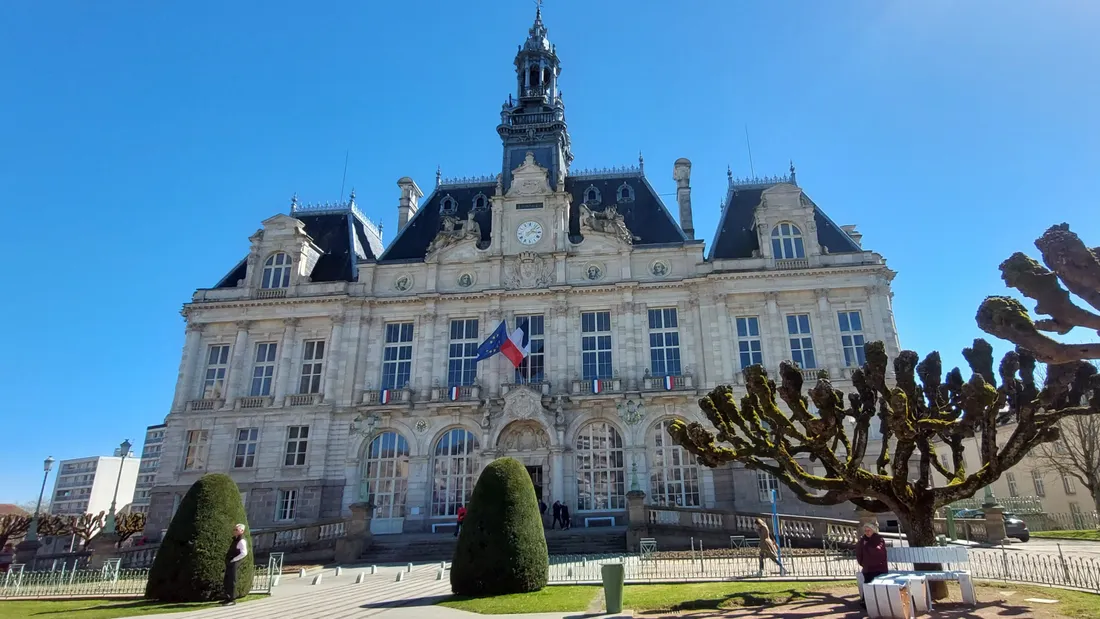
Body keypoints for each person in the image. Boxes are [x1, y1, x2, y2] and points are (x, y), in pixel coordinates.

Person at [855, 521, 889, 607]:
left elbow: (879, 551)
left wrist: (867, 546)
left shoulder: (878, 539)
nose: (867, 532)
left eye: (869, 530)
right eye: (865, 530)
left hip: (879, 567)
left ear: (873, 530)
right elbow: (859, 552)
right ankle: (867, 601)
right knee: (867, 580)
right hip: (867, 567)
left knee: (872, 579)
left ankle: (874, 601)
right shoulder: (863, 540)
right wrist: (862, 562)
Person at [222, 523, 248, 606]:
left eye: (236, 530)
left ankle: (232, 599)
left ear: (242, 531)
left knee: (232, 580)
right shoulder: (236, 539)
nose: (235, 531)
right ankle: (227, 597)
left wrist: (234, 559)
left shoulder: (241, 540)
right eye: (234, 529)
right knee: (227, 580)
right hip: (230, 562)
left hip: (234, 562)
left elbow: (244, 553)